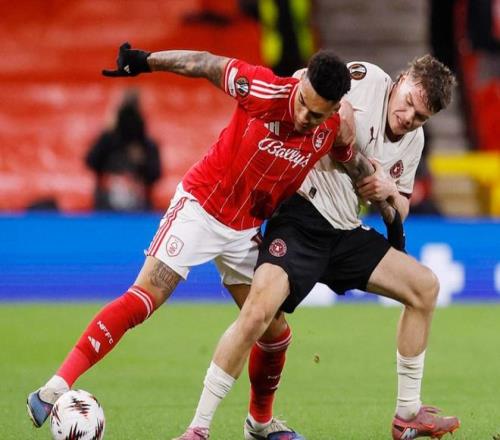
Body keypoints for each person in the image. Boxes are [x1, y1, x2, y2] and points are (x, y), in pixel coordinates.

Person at [27, 42, 352, 440]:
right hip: (201, 207)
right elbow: (204, 63)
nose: (303, 116)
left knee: (275, 333)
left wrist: (379, 181)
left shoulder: (330, 130)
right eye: (302, 103)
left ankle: (260, 425)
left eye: (315, 114)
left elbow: (351, 157)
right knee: (144, 299)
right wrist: (145, 61)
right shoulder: (263, 89)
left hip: (246, 230)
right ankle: (53, 388)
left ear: (332, 111)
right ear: (300, 84)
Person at [176, 55, 460, 440]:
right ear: (402, 78)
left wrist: (389, 191)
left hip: (346, 231)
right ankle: (198, 428)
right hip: (302, 216)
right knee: (258, 313)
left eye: (420, 116)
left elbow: (402, 208)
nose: (409, 117)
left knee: (425, 287)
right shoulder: (365, 79)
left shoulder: (415, 141)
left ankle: (407, 414)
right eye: (408, 102)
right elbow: (304, 84)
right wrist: (333, 115)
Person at [86, 89, 162, 211]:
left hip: (139, 209)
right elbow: (91, 161)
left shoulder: (147, 145)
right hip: (106, 207)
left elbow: (155, 174)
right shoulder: (108, 141)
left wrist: (142, 162)